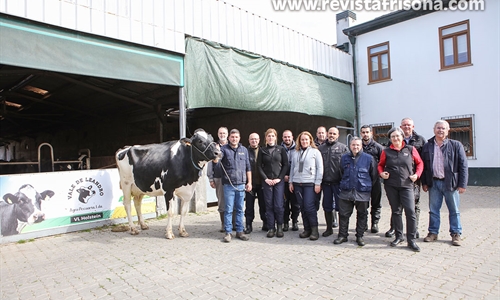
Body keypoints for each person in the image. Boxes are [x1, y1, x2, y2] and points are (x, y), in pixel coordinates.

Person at [421, 120, 468, 246]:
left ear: (447, 131)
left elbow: (463, 165)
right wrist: (424, 183)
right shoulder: (428, 146)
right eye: (438, 128)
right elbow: (424, 166)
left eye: (443, 128)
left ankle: (456, 234)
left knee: (454, 210)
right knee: (433, 210)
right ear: (434, 129)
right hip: (434, 183)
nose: (440, 130)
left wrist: (462, 184)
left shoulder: (456, 145)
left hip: (450, 183)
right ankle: (433, 232)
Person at [378, 127, 423, 252]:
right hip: (391, 185)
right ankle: (399, 236)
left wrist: (417, 175)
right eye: (393, 137)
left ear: (402, 137)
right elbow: (380, 165)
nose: (395, 138)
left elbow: (420, 163)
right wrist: (381, 173)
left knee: (410, 212)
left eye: (397, 136)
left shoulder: (410, 149)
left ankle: (411, 240)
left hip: (407, 185)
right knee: (396, 211)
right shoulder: (386, 151)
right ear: (390, 139)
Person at [385, 118, 426, 238]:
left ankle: (414, 229)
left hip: (412, 180)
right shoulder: (391, 142)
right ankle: (395, 229)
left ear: (413, 127)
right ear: (401, 127)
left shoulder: (420, 140)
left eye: (409, 125)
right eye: (404, 125)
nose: (407, 127)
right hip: (394, 181)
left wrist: (418, 175)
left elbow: (422, 161)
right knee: (396, 207)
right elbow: (386, 159)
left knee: (413, 206)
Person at [333, 137, 378, 246]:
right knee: (343, 215)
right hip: (346, 191)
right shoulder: (344, 158)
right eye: (353, 145)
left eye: (357, 145)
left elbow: (374, 176)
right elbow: (341, 173)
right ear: (350, 146)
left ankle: (360, 236)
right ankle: (342, 236)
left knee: (362, 215)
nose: (355, 147)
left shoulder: (369, 158)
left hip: (362, 192)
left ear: (361, 145)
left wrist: (366, 186)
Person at [289, 131, 323, 241]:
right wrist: (290, 182)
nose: (304, 141)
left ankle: (314, 230)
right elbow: (292, 168)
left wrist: (318, 183)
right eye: (302, 140)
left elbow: (320, 168)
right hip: (297, 183)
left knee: (309, 206)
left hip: (310, 183)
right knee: (302, 207)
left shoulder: (315, 152)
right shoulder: (295, 153)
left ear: (310, 141)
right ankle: (307, 229)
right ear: (299, 141)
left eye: (306, 140)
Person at [219, 129, 252, 242]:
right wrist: (215, 156)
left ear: (239, 138)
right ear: (229, 138)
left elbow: (248, 167)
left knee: (240, 209)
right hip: (229, 185)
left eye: (236, 137)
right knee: (228, 209)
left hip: (241, 185)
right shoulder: (223, 150)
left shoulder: (244, 150)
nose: (234, 139)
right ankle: (228, 233)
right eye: (232, 137)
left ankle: (240, 231)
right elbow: (216, 160)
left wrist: (249, 182)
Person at [257, 128, 289, 238]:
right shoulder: (262, 150)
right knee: (269, 204)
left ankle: (279, 226)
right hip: (267, 182)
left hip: (278, 181)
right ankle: (271, 227)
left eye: (272, 136)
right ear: (266, 138)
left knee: (279, 205)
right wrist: (265, 178)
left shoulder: (281, 149)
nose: (270, 138)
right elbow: (258, 166)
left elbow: (285, 165)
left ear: (276, 137)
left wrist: (280, 178)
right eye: (268, 136)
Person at [318, 127, 348, 237]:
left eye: (334, 134)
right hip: (326, 183)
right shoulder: (320, 148)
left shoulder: (343, 148)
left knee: (342, 207)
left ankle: (342, 230)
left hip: (339, 183)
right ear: (327, 134)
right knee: (327, 206)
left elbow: (347, 166)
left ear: (338, 135)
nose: (331, 135)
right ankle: (329, 228)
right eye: (330, 133)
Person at [360, 125, 384, 233]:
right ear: (361, 134)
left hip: (375, 180)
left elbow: (383, 163)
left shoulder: (378, 147)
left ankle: (375, 223)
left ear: (371, 133)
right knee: (362, 203)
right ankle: (363, 223)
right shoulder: (358, 146)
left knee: (376, 202)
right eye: (363, 132)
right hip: (361, 180)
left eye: (367, 132)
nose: (365, 134)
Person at [207, 126, 229, 232]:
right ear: (218, 134)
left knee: (232, 201)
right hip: (218, 177)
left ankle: (233, 223)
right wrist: (211, 178)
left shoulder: (232, 146)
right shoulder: (214, 147)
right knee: (221, 202)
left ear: (227, 134)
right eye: (220, 133)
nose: (222, 135)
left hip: (231, 178)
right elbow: (210, 163)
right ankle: (223, 224)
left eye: (224, 133)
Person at [244, 133, 265, 234]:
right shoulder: (245, 152)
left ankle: (265, 223)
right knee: (249, 205)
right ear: (249, 140)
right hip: (250, 184)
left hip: (262, 183)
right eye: (252, 139)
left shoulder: (264, 151)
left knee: (264, 204)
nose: (254, 141)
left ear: (259, 140)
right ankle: (248, 224)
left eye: (256, 139)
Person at [281, 130, 300, 232]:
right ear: (282, 138)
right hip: (283, 181)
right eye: (285, 137)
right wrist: (283, 176)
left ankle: (295, 221)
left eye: (289, 137)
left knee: (295, 203)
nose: (287, 139)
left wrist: (293, 177)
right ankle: (285, 222)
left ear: (292, 137)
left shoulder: (298, 149)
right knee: (284, 203)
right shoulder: (279, 149)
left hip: (295, 181)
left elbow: (300, 165)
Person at [313, 126, 327, 211]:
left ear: (326, 134)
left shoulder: (330, 144)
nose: (321, 134)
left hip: (327, 176)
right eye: (319, 133)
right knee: (315, 199)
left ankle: (333, 219)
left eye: (323, 132)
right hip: (315, 176)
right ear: (316, 134)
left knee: (329, 200)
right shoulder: (312, 145)